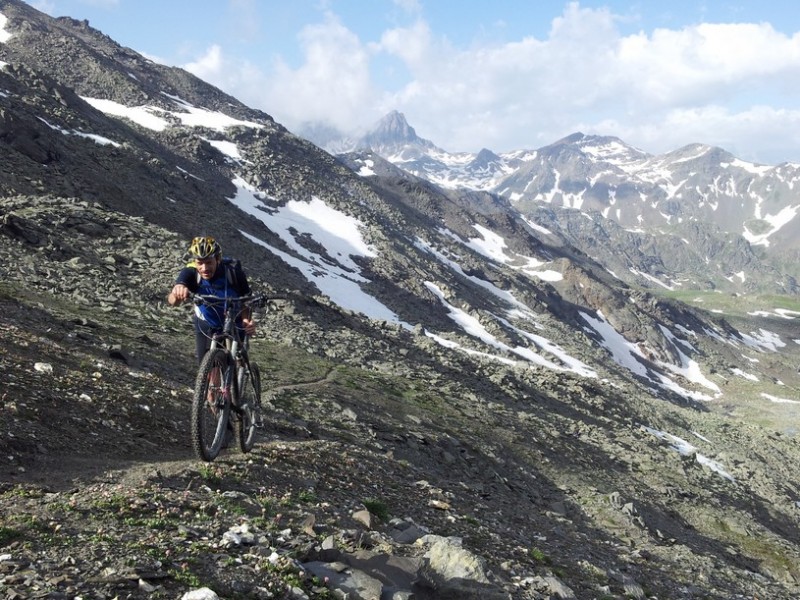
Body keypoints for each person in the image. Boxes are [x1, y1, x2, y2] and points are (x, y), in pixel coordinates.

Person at [167, 236, 256, 364]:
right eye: (200, 263)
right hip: (206, 324)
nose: (204, 268)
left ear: (218, 259)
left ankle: (240, 373)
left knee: (237, 361)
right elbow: (173, 300)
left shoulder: (234, 273)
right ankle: (214, 384)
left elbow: (246, 301)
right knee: (207, 369)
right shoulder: (191, 273)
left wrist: (246, 320)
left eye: (209, 262)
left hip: (233, 323)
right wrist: (177, 293)